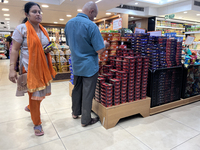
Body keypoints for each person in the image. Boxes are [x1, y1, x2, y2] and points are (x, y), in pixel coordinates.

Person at [9, 2, 56, 136]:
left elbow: (44, 47)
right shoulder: (21, 29)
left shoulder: (43, 30)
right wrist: (12, 68)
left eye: (39, 12)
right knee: (35, 96)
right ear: (26, 14)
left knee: (38, 95)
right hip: (29, 69)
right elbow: (15, 49)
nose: (38, 14)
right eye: (34, 11)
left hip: (43, 68)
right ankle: (37, 123)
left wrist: (48, 48)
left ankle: (30, 107)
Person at [65, 1, 109, 127]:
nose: (94, 18)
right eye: (94, 15)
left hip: (76, 63)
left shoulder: (69, 24)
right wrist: (105, 44)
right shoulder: (91, 26)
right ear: (91, 11)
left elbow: (69, 43)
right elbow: (99, 50)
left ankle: (75, 112)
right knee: (88, 92)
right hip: (89, 66)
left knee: (77, 89)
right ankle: (85, 120)